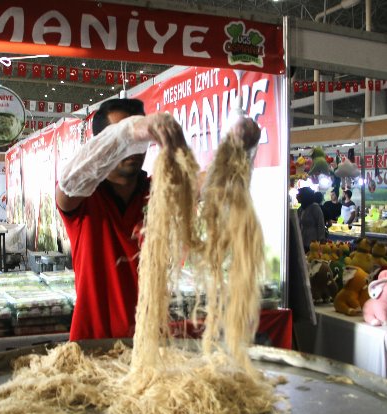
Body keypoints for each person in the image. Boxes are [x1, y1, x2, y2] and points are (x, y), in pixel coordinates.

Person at [56, 98, 259, 342]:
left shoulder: (157, 190)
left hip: (150, 342)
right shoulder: (85, 196)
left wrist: (238, 150)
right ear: (101, 144)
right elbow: (68, 183)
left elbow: (214, 184)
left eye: (139, 143)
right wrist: (131, 131)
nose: (132, 150)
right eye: (122, 143)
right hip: (91, 343)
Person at [296, 186, 325, 251]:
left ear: (304, 196)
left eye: (299, 194)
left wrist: (321, 241)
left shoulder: (315, 207)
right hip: (302, 241)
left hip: (313, 243)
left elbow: (321, 225)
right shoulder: (300, 209)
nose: (297, 196)